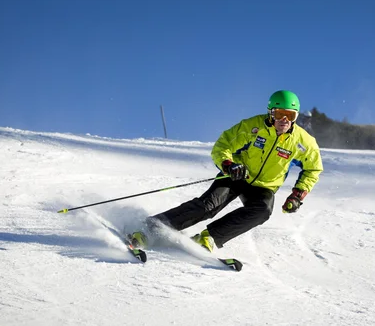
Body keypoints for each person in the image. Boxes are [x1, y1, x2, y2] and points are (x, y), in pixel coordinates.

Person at [128, 90, 323, 253]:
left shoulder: (303, 142)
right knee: (208, 206)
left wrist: (298, 195)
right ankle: (148, 230)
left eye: (290, 116)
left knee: (263, 211)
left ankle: (208, 238)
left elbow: (313, 168)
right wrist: (229, 165)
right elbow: (223, 145)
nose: (284, 120)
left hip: (264, 187)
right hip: (237, 175)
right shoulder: (252, 127)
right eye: (279, 113)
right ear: (270, 113)